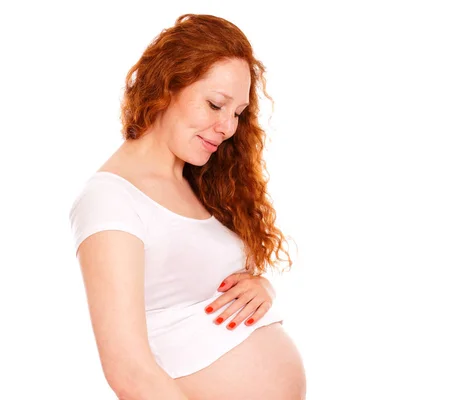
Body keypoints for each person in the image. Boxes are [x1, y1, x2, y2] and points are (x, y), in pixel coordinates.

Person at [68, 14, 306, 400]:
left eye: (237, 114)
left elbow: (194, 294)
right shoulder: (111, 199)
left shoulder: (201, 184)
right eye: (215, 104)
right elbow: (129, 371)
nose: (228, 127)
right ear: (166, 86)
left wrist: (260, 287)